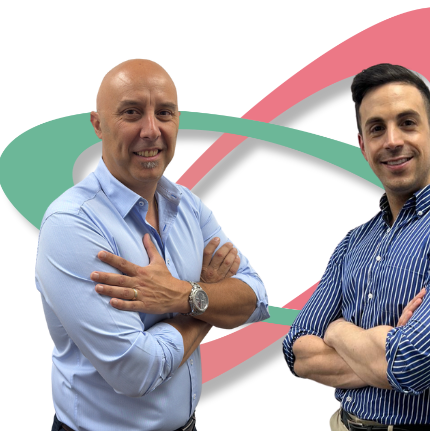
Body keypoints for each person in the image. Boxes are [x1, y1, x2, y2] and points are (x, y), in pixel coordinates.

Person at [36, 59, 269, 431]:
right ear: (98, 125)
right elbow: (136, 371)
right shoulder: (72, 224)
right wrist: (208, 301)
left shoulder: (187, 205)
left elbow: (256, 297)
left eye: (164, 113)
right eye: (131, 113)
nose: (151, 130)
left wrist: (184, 295)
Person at [282, 63, 430, 431]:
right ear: (363, 146)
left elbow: (412, 364)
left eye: (407, 123)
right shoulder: (353, 243)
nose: (391, 141)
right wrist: (383, 349)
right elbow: (297, 353)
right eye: (376, 128)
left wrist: (337, 331)